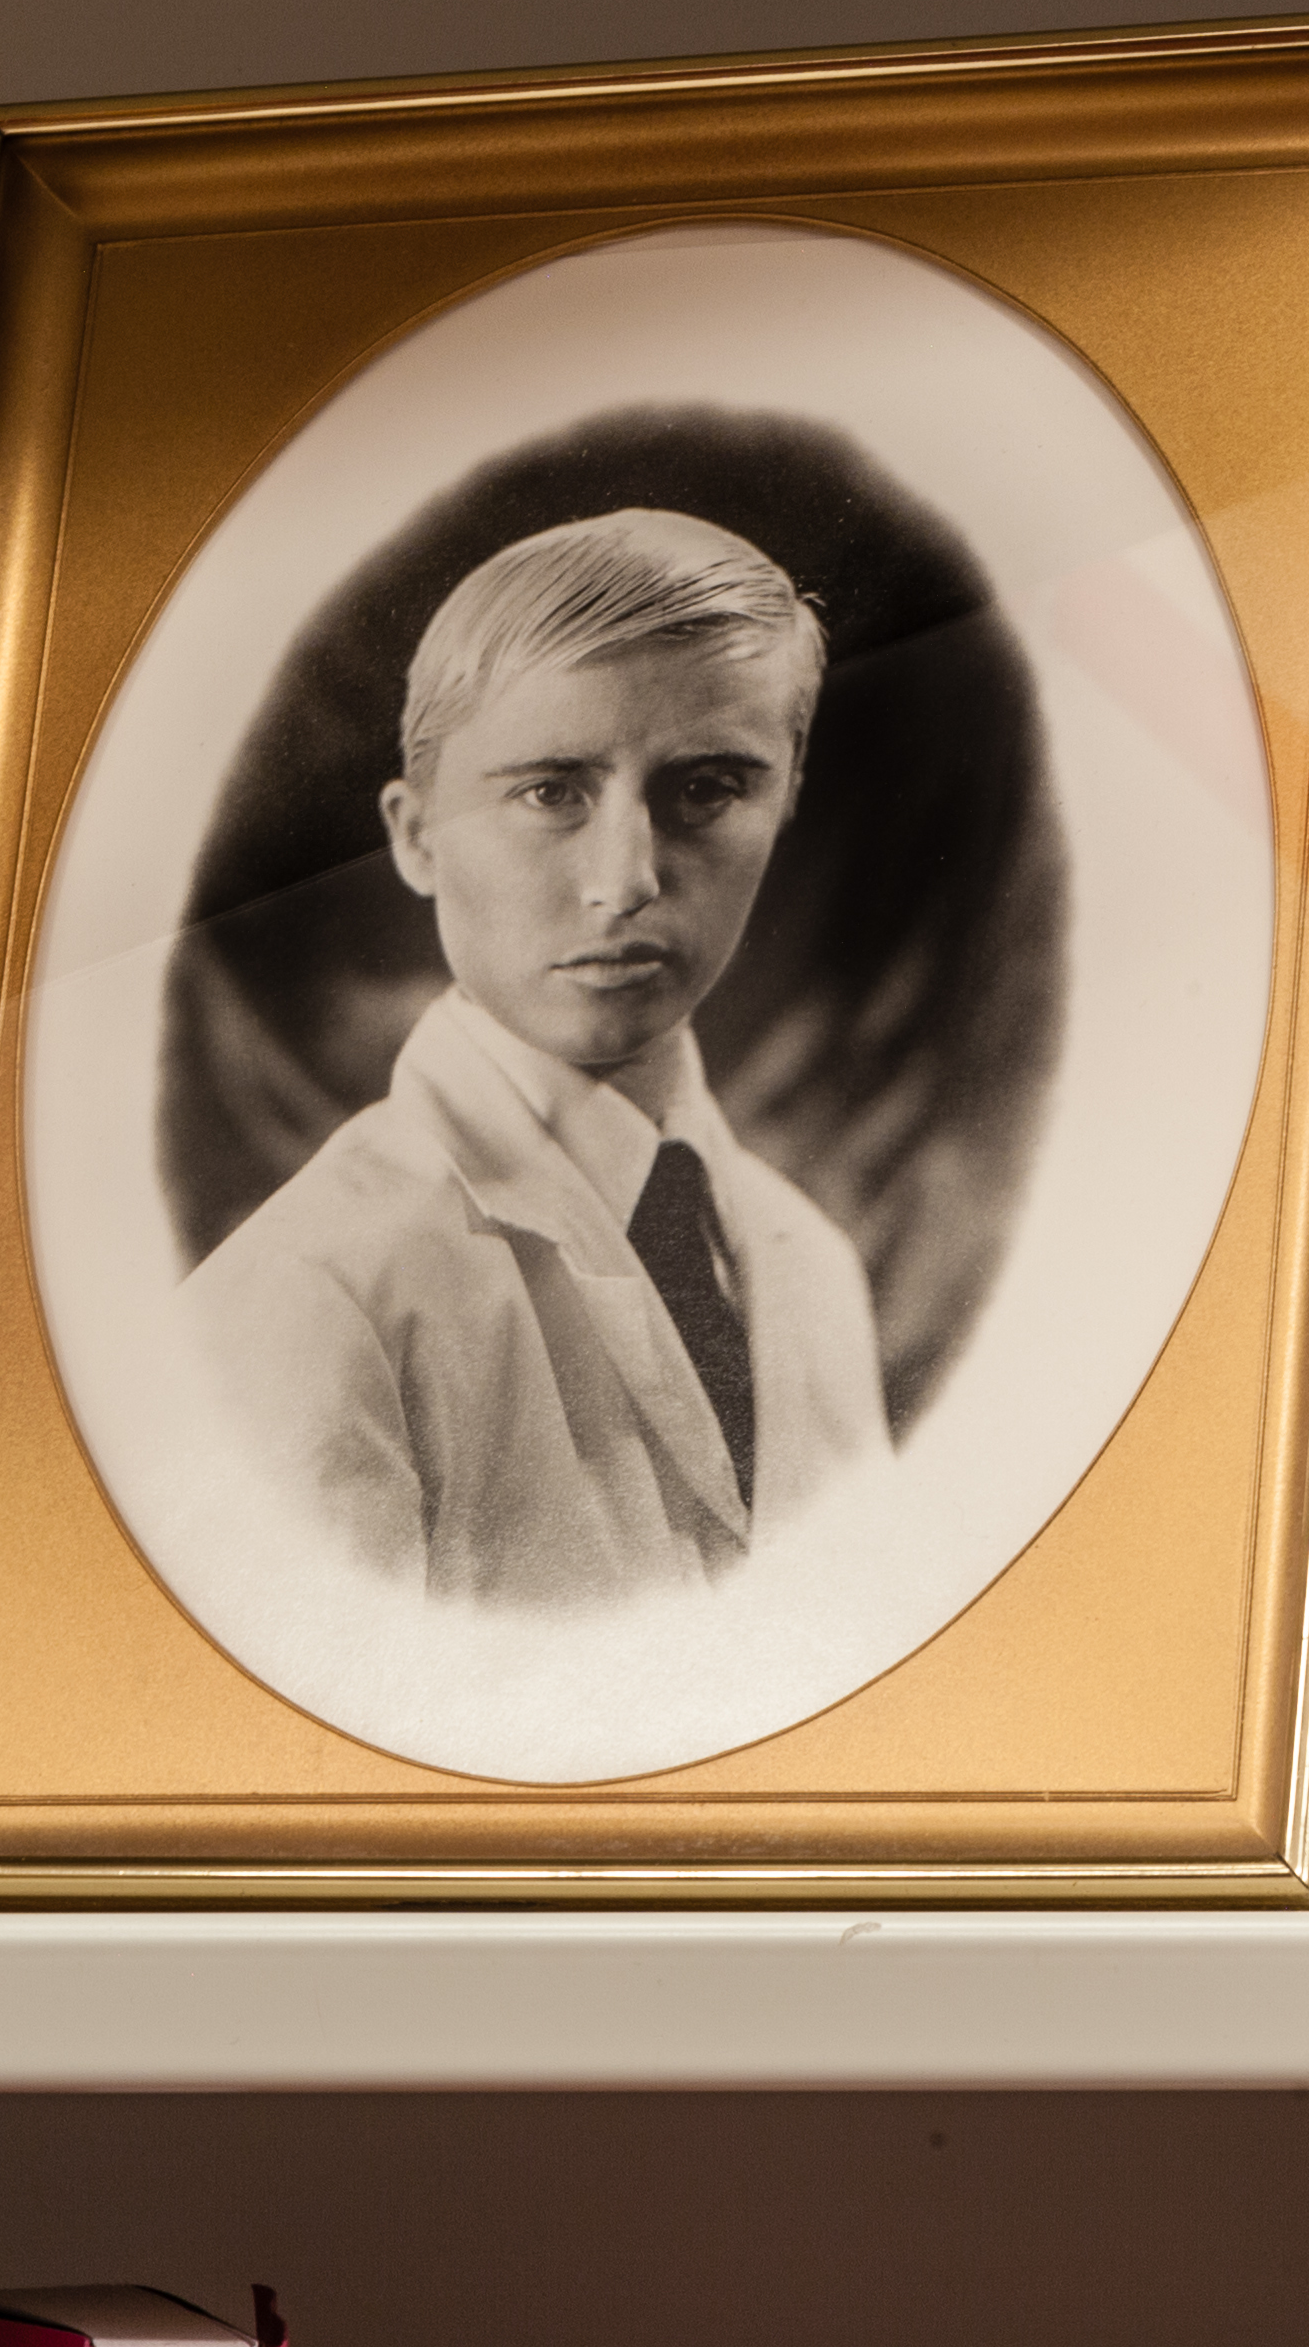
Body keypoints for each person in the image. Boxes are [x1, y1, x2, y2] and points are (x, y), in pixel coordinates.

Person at [184, 509, 892, 1609]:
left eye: (707, 787)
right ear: (414, 835)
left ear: (784, 799)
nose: (626, 881)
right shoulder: (309, 1297)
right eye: (549, 792)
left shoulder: (810, 1264)